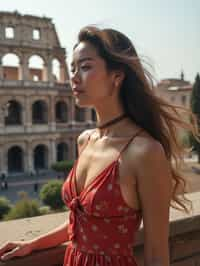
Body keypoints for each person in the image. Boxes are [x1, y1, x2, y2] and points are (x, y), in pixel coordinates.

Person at [0, 26, 199, 266]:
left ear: (117, 75)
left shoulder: (145, 151)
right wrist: (33, 244)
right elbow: (82, 222)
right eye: (72, 68)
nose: (72, 77)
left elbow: (157, 254)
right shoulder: (85, 140)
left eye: (85, 67)